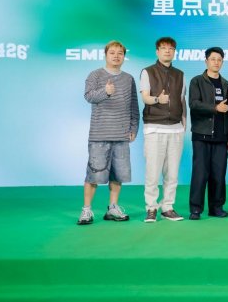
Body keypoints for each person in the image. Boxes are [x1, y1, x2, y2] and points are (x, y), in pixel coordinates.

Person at [78, 41, 139, 225]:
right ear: (105, 55)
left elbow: (134, 106)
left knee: (118, 175)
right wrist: (106, 91)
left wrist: (133, 128)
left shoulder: (128, 79)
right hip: (99, 134)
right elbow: (88, 96)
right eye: (112, 52)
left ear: (124, 56)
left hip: (121, 135)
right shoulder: (95, 75)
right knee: (94, 175)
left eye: (120, 53)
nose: (116, 56)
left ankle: (112, 208)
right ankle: (86, 210)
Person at [140, 37, 187, 223]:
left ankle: (167, 207)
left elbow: (182, 102)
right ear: (157, 51)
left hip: (176, 129)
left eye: (171, 48)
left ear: (174, 52)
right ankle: (151, 208)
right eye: (163, 48)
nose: (167, 51)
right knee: (152, 172)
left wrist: (184, 125)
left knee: (172, 173)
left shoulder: (180, 74)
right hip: (154, 127)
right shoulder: (148, 72)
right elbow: (145, 97)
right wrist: (158, 100)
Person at [188, 47, 228, 220]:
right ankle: (195, 209)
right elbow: (194, 104)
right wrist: (215, 108)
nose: (216, 62)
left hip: (221, 138)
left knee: (219, 174)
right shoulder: (197, 81)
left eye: (219, 59)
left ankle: (216, 207)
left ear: (222, 62)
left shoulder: (225, 84)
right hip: (201, 135)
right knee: (200, 174)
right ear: (206, 61)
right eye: (213, 59)